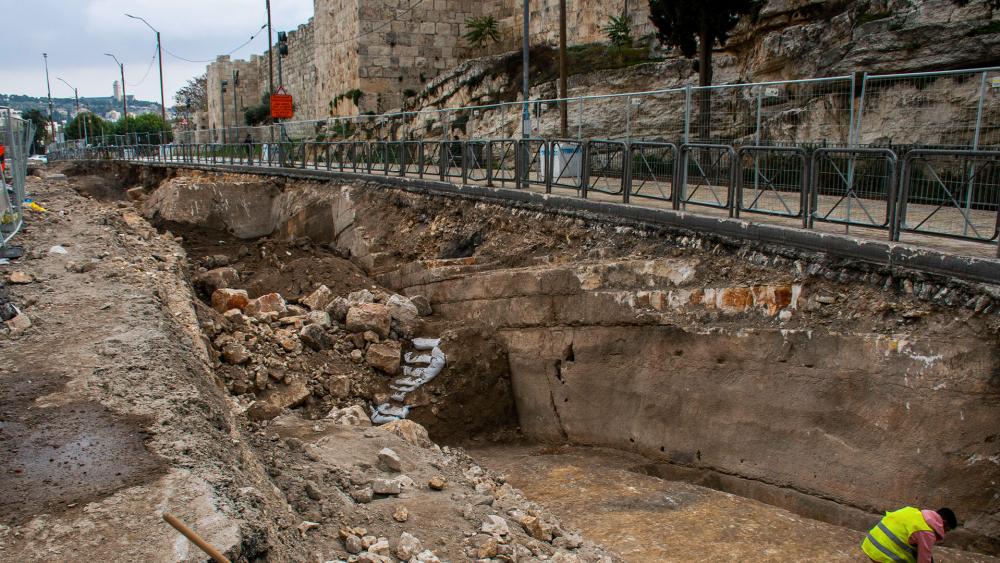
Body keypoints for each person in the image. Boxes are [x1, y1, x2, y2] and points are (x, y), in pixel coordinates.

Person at [862, 506, 957, 563]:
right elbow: (924, 560)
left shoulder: (911, 511)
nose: (944, 533)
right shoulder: (927, 532)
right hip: (883, 555)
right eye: (946, 530)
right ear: (943, 523)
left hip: (870, 545)